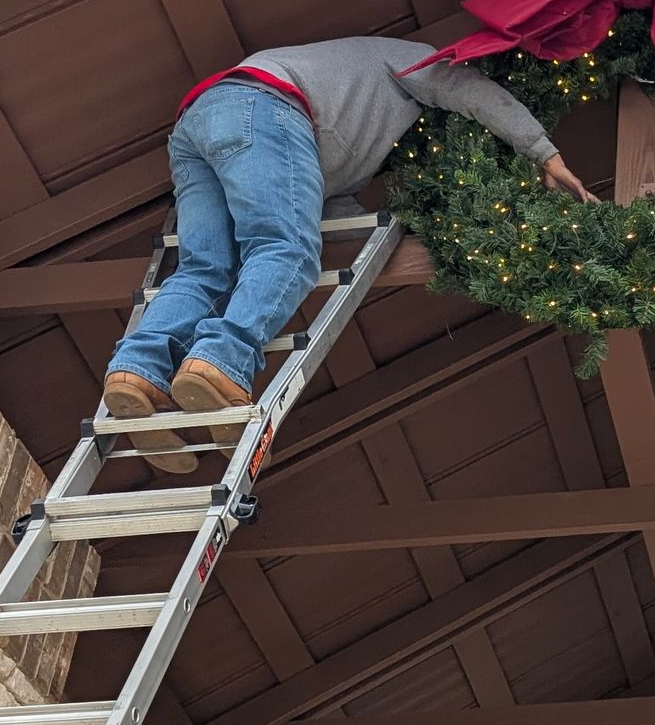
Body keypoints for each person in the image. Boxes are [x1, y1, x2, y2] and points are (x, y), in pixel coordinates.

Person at [102, 39, 592, 473]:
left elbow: (322, 203)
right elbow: (469, 91)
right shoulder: (413, 57)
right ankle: (218, 363)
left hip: (197, 123)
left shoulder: (359, 136)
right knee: (285, 249)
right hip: (265, 105)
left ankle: (136, 372)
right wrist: (543, 152)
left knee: (205, 267)